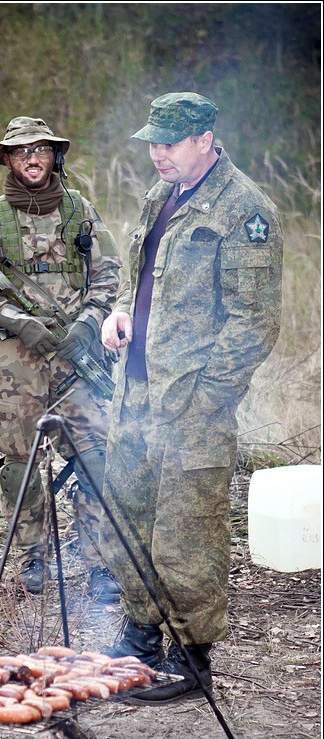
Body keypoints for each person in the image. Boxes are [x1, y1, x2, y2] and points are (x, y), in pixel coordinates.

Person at [99, 92, 283, 703]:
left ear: (204, 139)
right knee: (129, 516)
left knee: (187, 536)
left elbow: (254, 323)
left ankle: (189, 656)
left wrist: (208, 397)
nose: (158, 153)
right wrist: (120, 312)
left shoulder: (245, 210)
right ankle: (140, 637)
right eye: (152, 142)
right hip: (138, 392)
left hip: (194, 406)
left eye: (170, 142)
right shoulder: (161, 196)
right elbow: (139, 277)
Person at [0, 117, 122, 601]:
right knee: (21, 463)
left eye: (41, 150)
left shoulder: (80, 211)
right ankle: (33, 556)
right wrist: (17, 321)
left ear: (55, 157)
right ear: (7, 160)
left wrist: (89, 321)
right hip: (15, 365)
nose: (32, 158)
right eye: (21, 151)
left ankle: (99, 562)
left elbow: (109, 273)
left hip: (77, 361)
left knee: (95, 456)